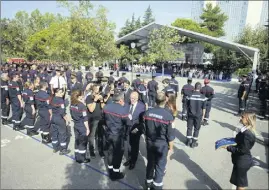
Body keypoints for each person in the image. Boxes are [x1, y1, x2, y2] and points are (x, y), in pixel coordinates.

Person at [143, 92, 175, 190]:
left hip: (150, 143)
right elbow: (170, 135)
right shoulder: (168, 115)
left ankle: (148, 184)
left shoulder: (147, 112)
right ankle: (157, 186)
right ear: (165, 100)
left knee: (150, 163)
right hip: (161, 145)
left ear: (155, 100)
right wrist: (171, 148)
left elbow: (144, 129)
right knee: (160, 166)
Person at [223, 112, 256, 190]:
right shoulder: (245, 130)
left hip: (242, 162)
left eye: (242, 117)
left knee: (240, 184)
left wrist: (228, 147)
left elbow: (242, 150)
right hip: (240, 160)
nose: (240, 118)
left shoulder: (248, 134)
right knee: (238, 182)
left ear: (248, 120)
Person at [102, 92, 130, 180]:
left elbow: (103, 118)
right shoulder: (123, 110)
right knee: (118, 154)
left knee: (110, 152)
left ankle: (110, 170)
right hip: (118, 136)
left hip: (108, 133)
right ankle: (115, 173)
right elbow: (128, 123)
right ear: (121, 100)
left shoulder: (106, 107)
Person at [123, 91, 146, 170]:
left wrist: (137, 129)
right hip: (127, 128)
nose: (131, 100)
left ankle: (133, 161)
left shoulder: (141, 106)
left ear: (137, 98)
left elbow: (142, 121)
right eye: (131, 98)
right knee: (128, 145)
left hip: (136, 129)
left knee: (135, 146)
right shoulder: (127, 104)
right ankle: (129, 159)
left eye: (133, 99)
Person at [70, 90, 90, 163]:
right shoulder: (82, 106)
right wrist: (87, 129)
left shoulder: (72, 104)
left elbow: (71, 114)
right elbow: (85, 119)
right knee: (83, 142)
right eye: (82, 95)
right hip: (82, 126)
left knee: (77, 141)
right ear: (79, 97)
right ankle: (82, 159)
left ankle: (77, 156)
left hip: (76, 124)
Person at [50, 88, 71, 155]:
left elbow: (49, 108)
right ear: (56, 93)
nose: (62, 94)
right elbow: (62, 112)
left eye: (62, 92)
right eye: (60, 92)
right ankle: (63, 149)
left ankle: (55, 148)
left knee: (54, 133)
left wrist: (51, 116)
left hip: (53, 117)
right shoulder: (61, 101)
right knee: (62, 134)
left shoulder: (52, 99)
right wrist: (67, 120)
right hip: (59, 119)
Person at [186, 82, 206, 148]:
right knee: (196, 129)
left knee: (189, 128)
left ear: (194, 87)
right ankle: (194, 143)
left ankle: (188, 141)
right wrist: (203, 117)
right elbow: (204, 108)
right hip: (198, 115)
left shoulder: (189, 96)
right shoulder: (203, 97)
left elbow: (187, 106)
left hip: (190, 114)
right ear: (200, 88)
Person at [86, 85, 103, 158]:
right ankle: (91, 151)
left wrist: (102, 100)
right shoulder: (89, 97)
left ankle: (100, 150)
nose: (99, 92)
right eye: (97, 91)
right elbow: (91, 109)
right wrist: (95, 100)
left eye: (99, 91)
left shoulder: (100, 96)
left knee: (100, 136)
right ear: (93, 90)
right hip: (93, 119)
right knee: (92, 136)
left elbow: (103, 107)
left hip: (100, 118)